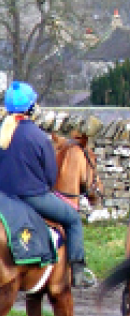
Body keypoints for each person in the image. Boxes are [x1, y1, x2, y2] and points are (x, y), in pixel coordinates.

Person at [0, 81, 94, 288]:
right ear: (32, 108)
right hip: (32, 197)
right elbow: (51, 177)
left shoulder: (1, 133)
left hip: (3, 198)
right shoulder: (38, 136)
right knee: (72, 220)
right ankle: (78, 271)